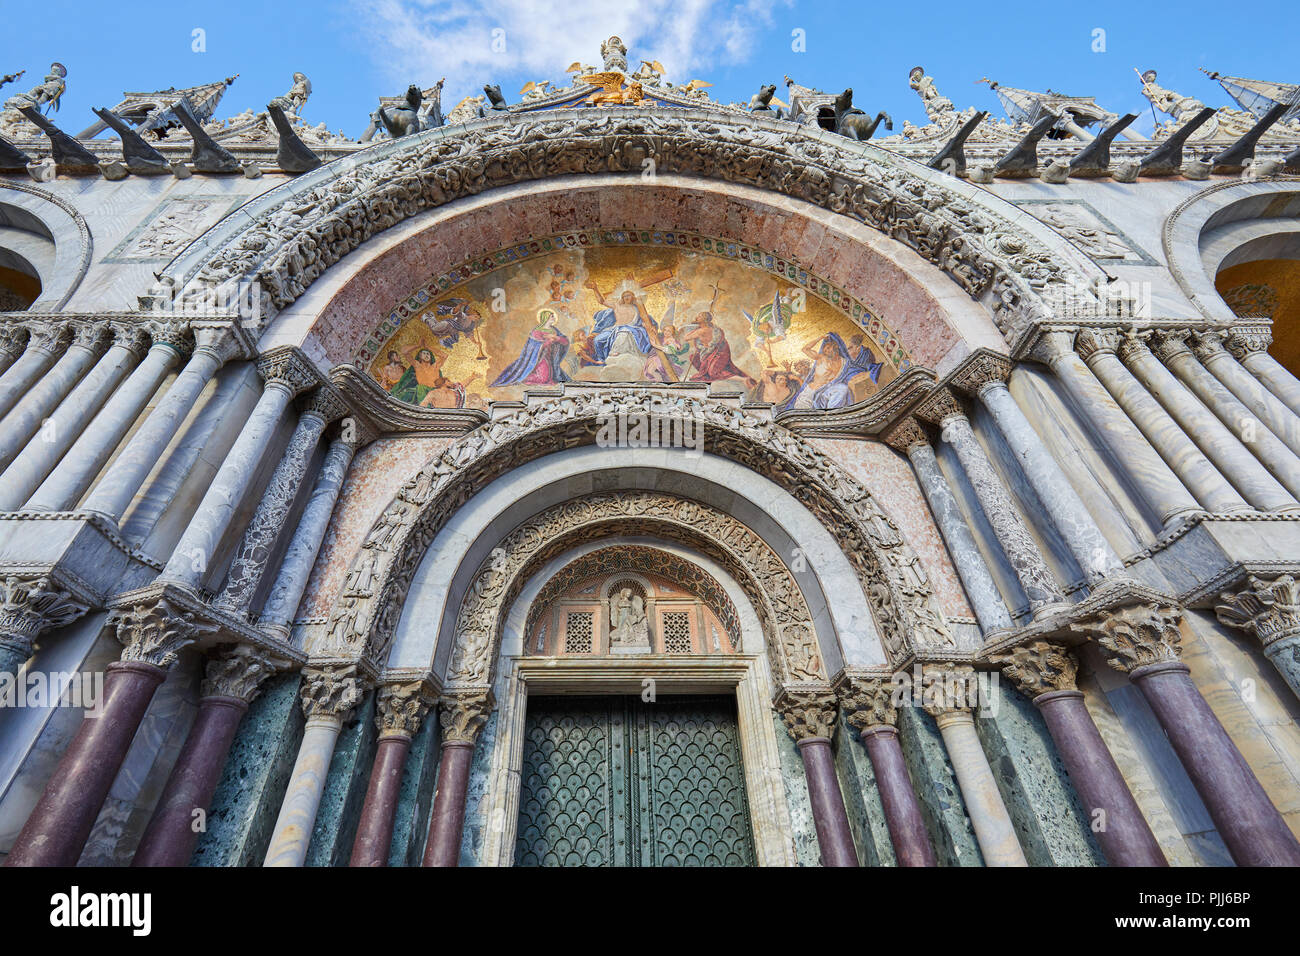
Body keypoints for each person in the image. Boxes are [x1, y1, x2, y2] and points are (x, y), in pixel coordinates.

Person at [491, 309, 572, 386]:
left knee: (552, 378)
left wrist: (556, 338)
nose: (554, 318)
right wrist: (550, 340)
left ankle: (532, 374)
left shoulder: (554, 330)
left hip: (551, 358)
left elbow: (565, 341)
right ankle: (522, 377)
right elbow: (535, 346)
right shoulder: (536, 331)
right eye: (552, 316)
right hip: (539, 358)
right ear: (546, 318)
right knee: (543, 379)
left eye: (553, 316)